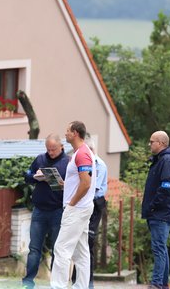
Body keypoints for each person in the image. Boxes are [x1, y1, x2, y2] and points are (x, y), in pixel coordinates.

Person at [50, 121, 96, 289]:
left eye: (68, 131)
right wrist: (65, 185)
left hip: (77, 208)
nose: (66, 133)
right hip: (82, 207)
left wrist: (72, 204)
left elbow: (86, 183)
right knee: (81, 252)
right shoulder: (82, 152)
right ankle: (81, 286)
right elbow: (80, 180)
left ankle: (58, 286)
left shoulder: (82, 153)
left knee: (61, 249)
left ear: (76, 133)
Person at [22, 134, 69, 289]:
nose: (50, 152)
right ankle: (28, 282)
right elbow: (28, 176)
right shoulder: (40, 159)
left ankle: (56, 284)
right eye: (48, 149)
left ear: (61, 146)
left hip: (57, 211)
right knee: (34, 249)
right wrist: (33, 176)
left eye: (53, 149)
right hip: (39, 210)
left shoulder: (68, 162)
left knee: (57, 250)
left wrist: (62, 183)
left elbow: (73, 186)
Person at [142, 131, 170, 289]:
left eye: (152, 141)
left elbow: (166, 186)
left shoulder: (167, 161)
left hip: (160, 213)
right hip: (157, 212)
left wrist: (153, 205)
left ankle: (156, 284)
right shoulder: (160, 160)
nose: (150, 144)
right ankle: (162, 284)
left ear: (162, 143)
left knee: (158, 249)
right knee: (161, 248)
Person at [86, 141, 107, 288]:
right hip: (84, 203)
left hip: (95, 203)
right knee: (80, 244)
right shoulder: (84, 163)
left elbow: (93, 188)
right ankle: (78, 280)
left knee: (89, 241)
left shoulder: (99, 165)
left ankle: (89, 282)